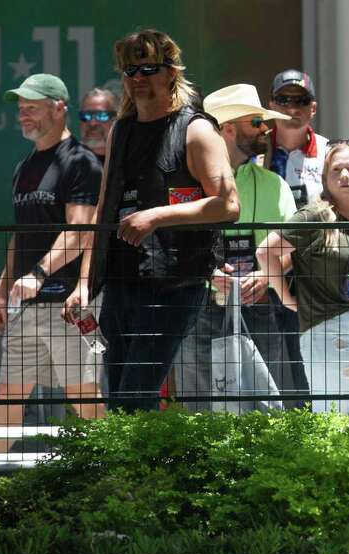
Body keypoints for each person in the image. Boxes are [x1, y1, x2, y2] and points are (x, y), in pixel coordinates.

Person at [63, 29, 239, 413]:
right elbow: (105, 209)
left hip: (175, 284)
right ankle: (143, 469)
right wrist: (83, 283)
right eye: (129, 70)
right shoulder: (122, 130)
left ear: (171, 72)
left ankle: (140, 471)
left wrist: (158, 216)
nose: (137, 78)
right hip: (122, 283)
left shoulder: (196, 130)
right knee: (119, 397)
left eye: (148, 68)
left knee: (135, 394)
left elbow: (228, 204)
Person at [0, 73, 104, 451]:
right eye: (21, 109)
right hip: (25, 305)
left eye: (32, 108)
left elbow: (80, 232)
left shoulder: (81, 162)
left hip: (67, 306)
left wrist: (38, 274)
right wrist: (4, 290)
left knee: (84, 399)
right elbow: (20, 235)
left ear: (59, 108)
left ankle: (121, 485)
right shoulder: (24, 166)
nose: (24, 115)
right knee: (8, 397)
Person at [173, 84, 299, 410]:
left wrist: (268, 276)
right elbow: (170, 242)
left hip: (257, 305)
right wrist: (205, 272)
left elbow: (295, 244)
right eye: (256, 122)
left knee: (264, 410)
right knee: (199, 410)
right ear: (228, 129)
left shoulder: (275, 184)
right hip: (199, 305)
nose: (266, 129)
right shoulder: (189, 183)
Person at [258, 140, 349, 417]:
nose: (345, 175)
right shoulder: (315, 215)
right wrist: (287, 299)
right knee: (334, 418)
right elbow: (265, 253)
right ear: (325, 177)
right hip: (328, 329)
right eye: (336, 169)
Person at [267, 70, 330, 210]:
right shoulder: (256, 149)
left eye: (301, 101)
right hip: (264, 232)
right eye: (283, 100)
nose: (292, 109)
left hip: (316, 232)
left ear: (313, 108)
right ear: (271, 106)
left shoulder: (329, 153)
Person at [78, 87, 118, 163]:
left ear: (116, 119)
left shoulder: (128, 159)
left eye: (101, 116)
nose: (92, 123)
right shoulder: (68, 160)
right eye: (86, 115)